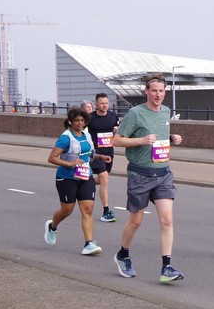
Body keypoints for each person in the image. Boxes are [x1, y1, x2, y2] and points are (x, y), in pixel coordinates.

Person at [111, 75, 184, 282]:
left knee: (167, 220)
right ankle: (123, 254)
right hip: (140, 174)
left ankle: (166, 267)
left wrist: (171, 139)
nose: (158, 95)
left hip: (163, 173)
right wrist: (141, 140)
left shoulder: (166, 111)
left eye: (161, 91)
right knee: (136, 221)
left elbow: (159, 137)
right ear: (146, 91)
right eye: (154, 91)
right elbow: (117, 140)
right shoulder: (135, 113)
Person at [44, 107, 101, 256]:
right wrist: (69, 163)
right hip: (67, 178)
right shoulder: (66, 138)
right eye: (76, 120)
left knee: (88, 209)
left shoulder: (86, 135)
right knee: (67, 210)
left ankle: (88, 243)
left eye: (82, 120)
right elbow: (52, 158)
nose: (80, 123)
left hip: (85, 176)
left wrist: (100, 157)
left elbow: (88, 154)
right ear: (70, 121)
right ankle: (52, 226)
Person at [86, 92, 120, 223]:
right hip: (96, 153)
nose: (105, 105)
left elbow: (118, 129)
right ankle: (106, 212)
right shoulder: (90, 118)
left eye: (106, 103)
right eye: (102, 103)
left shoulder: (113, 116)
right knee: (104, 179)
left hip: (109, 151)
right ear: (96, 104)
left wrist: (117, 130)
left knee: (102, 179)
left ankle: (83, 182)